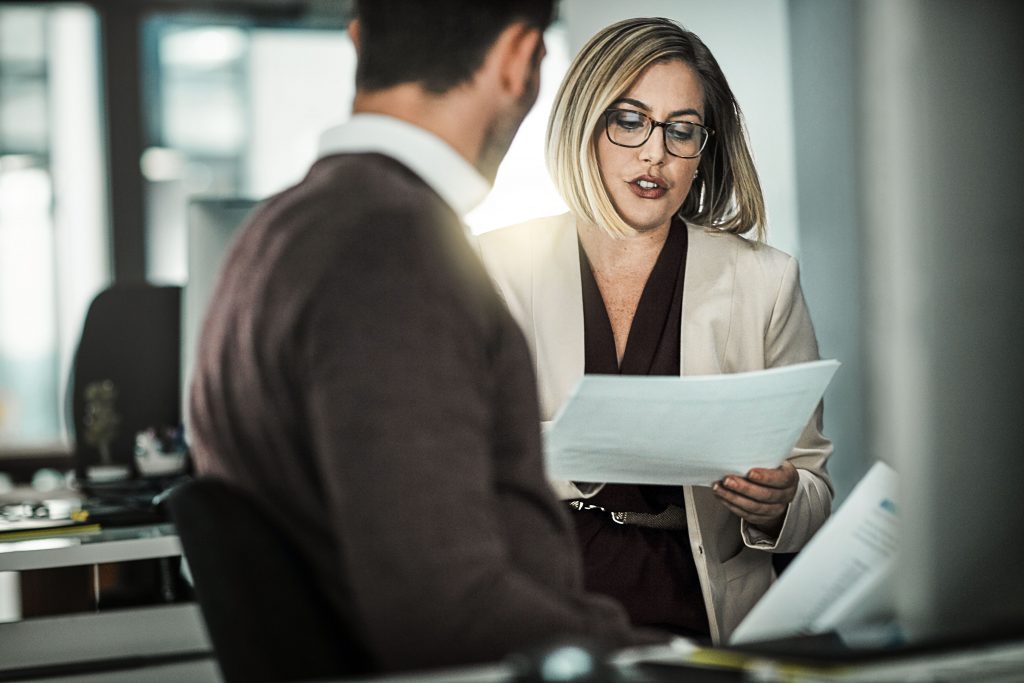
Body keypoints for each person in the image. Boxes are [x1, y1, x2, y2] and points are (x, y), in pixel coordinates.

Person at [188, 1, 665, 674]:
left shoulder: (274, 233)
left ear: (360, 42)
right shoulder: (393, 249)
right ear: (516, 59)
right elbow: (443, 609)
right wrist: (673, 659)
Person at [476, 17, 833, 645]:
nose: (655, 154)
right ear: (585, 125)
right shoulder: (492, 267)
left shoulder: (765, 280)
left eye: (681, 130)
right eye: (630, 120)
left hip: (703, 616)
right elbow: (457, 467)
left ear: (704, 147)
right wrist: (572, 451)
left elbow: (813, 488)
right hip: (540, 610)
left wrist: (779, 504)